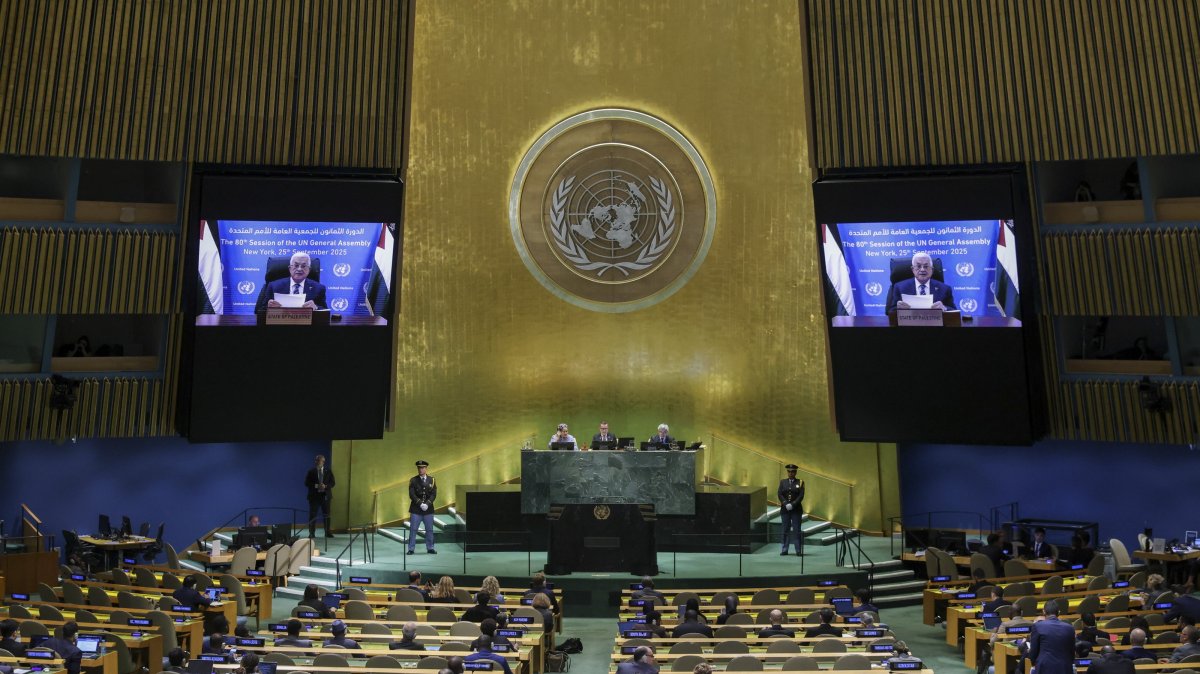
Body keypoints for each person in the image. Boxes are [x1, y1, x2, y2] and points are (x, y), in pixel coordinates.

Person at [885, 251, 956, 313]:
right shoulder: (900, 287)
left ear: (932, 270)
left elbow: (954, 311)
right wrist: (898, 309)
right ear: (913, 269)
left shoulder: (944, 289)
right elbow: (890, 312)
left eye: (926, 266)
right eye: (918, 266)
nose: (922, 269)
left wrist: (944, 308)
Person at [256, 251, 327, 312]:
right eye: (296, 265)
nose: (299, 269)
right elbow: (259, 311)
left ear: (309, 269)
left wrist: (316, 307)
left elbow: (325, 311)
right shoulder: (273, 286)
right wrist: (268, 307)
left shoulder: (319, 289)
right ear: (290, 268)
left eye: (303, 266)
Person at [1029, 600, 1075, 674]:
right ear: (1059, 612)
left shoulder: (1037, 626)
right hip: (1065, 667)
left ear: (1044, 612)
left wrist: (1034, 663)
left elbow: (1034, 651)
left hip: (1044, 667)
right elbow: (1072, 651)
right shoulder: (1070, 628)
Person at [407, 460, 437, 554]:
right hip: (416, 509)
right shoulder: (413, 480)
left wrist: (427, 504)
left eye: (422, 468)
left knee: (429, 530)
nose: (420, 470)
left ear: (426, 468)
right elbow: (412, 494)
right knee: (413, 530)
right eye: (419, 468)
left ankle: (430, 548)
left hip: (428, 510)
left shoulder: (432, 480)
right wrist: (420, 503)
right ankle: (411, 549)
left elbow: (433, 494)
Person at [305, 454, 334, 538]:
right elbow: (306, 483)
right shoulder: (311, 471)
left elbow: (332, 483)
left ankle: (327, 532)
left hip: (325, 496)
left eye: (318, 460)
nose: (316, 462)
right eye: (316, 460)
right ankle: (311, 532)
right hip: (314, 497)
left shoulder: (328, 471)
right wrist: (317, 486)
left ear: (323, 462)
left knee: (327, 514)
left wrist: (325, 486)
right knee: (312, 515)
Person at [779, 463, 805, 556]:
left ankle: (798, 550)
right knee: (785, 529)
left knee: (796, 529)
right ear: (787, 472)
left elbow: (801, 496)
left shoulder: (800, 482)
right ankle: (784, 549)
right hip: (785, 510)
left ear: (795, 472)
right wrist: (785, 503)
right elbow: (780, 494)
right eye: (789, 471)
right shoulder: (783, 482)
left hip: (796, 510)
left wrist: (793, 504)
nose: (791, 473)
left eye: (793, 471)